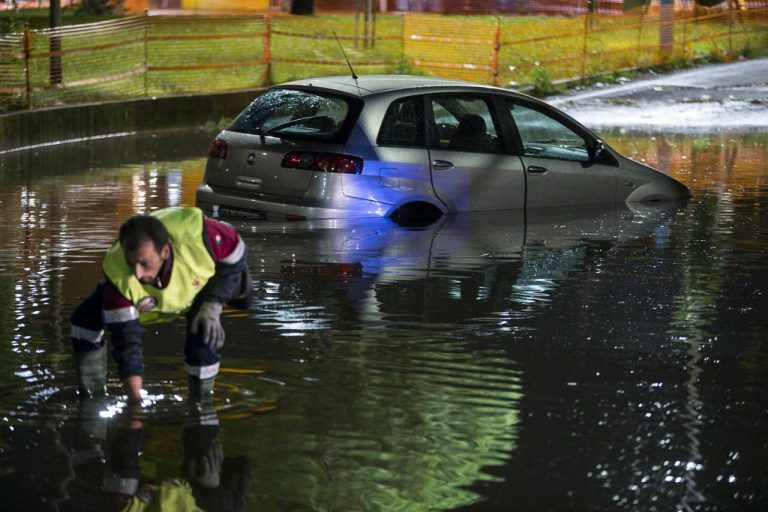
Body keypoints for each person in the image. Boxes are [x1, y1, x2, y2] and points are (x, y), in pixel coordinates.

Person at [70, 206, 252, 403]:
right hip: (159, 292)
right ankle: (91, 400)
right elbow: (126, 343)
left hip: (203, 283)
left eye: (145, 263)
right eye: (131, 264)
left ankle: (202, 402)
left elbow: (237, 253)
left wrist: (213, 305)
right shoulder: (118, 276)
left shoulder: (202, 236)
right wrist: (135, 403)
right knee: (84, 321)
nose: (137, 274)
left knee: (205, 330)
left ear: (165, 252)